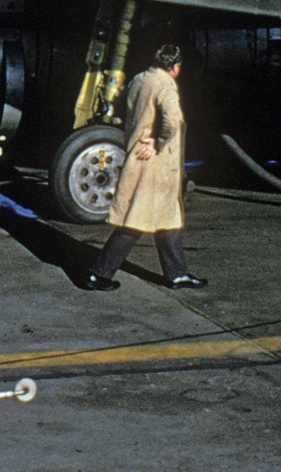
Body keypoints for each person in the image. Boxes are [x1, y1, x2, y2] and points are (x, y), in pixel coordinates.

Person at [80, 44, 206, 291]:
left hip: (139, 157)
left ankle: (177, 274)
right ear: (176, 67)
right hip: (155, 165)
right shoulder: (166, 85)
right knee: (134, 222)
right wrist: (158, 142)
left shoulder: (139, 79)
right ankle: (98, 274)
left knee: (168, 219)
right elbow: (173, 121)